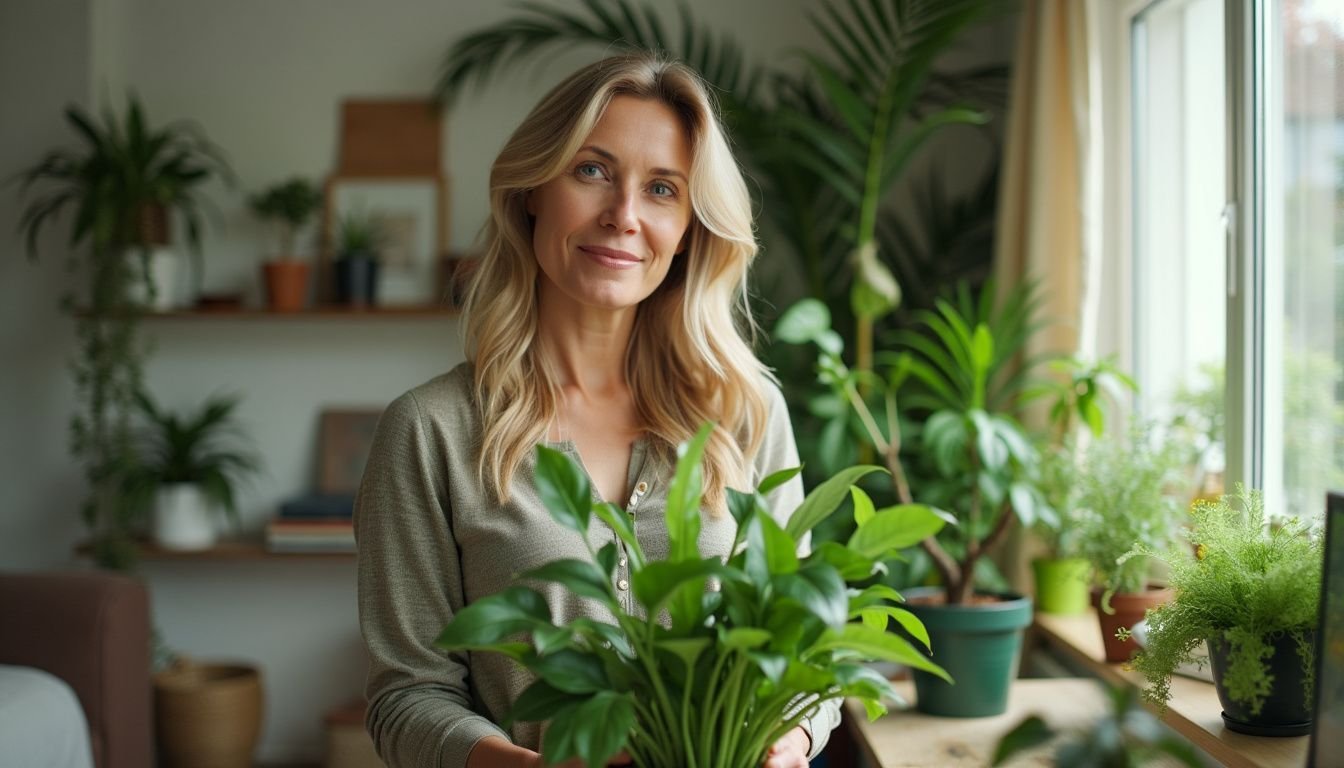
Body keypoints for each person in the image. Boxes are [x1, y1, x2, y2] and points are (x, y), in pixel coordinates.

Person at [355, 52, 839, 768]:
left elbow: (806, 658)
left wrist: (786, 743)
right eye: (591, 171)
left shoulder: (745, 410)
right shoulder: (431, 432)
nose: (623, 216)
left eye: (663, 189)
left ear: (689, 229)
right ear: (531, 191)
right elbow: (406, 698)